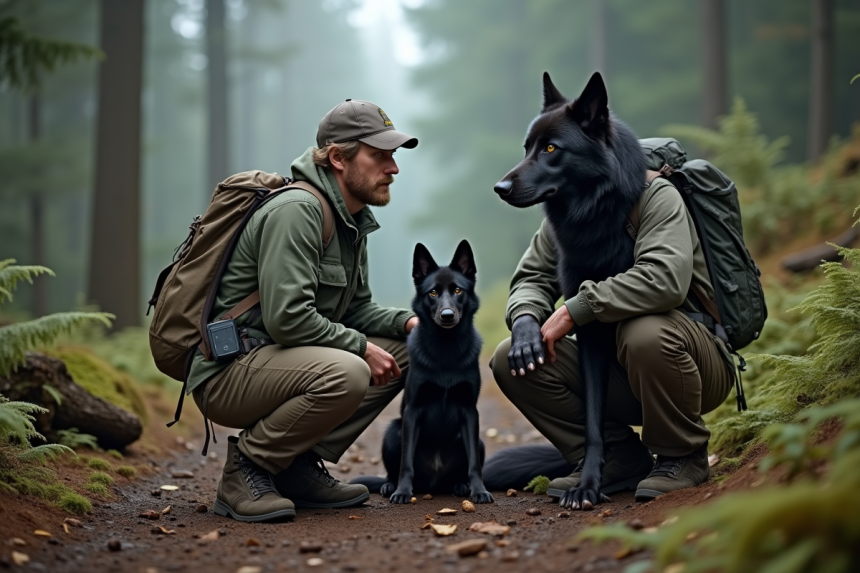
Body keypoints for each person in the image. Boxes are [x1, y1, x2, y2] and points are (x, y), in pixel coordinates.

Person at [187, 99, 419, 522]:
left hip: (280, 363)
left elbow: (357, 310)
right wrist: (361, 348)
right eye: (380, 155)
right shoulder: (298, 211)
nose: (393, 168)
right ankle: (248, 468)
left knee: (409, 348)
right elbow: (288, 317)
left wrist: (408, 322)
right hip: (229, 370)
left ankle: (293, 466)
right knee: (350, 370)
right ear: (337, 158)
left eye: (394, 156)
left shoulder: (350, 219)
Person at [489, 181, 736, 502]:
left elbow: (664, 279)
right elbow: (533, 277)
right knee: (511, 357)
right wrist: (525, 317)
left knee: (643, 331)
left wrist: (575, 309)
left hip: (694, 364)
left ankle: (683, 454)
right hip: (617, 375)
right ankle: (616, 456)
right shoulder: (565, 205)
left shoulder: (655, 196)